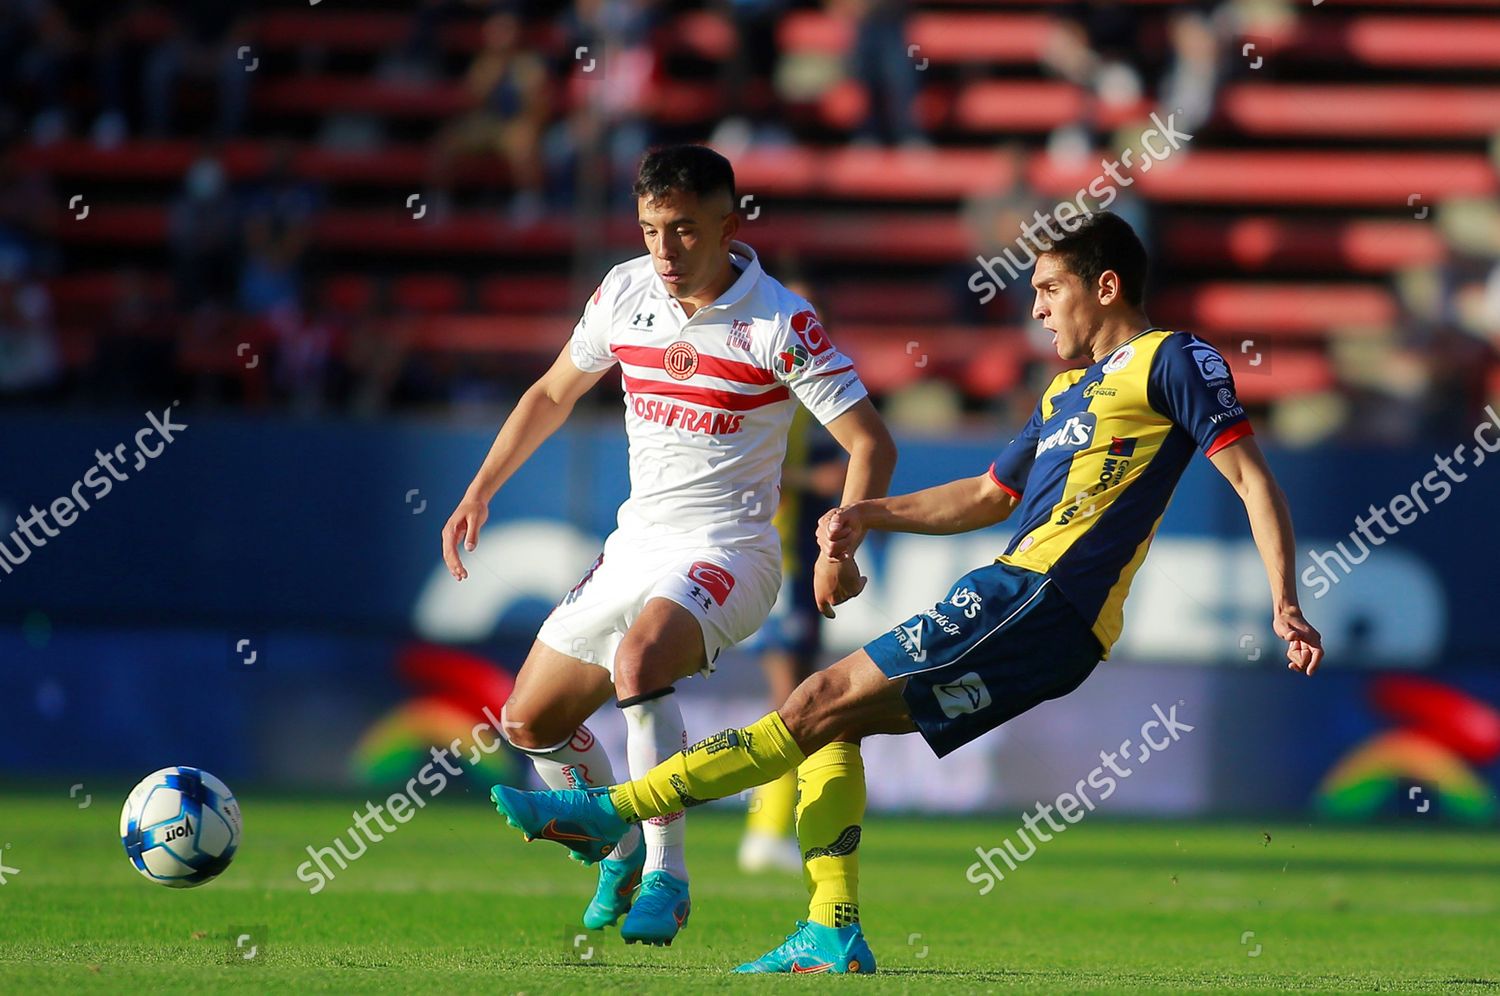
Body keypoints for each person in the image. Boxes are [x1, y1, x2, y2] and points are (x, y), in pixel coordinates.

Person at [489, 211, 1325, 972]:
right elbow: (988, 497)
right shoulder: (1064, 393)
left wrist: (1284, 600)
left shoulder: (1173, 358)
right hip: (1024, 599)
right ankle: (830, 926)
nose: (1035, 309)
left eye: (1048, 290)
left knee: (817, 697)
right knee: (831, 719)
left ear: (1105, 286)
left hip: (1042, 596)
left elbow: (1251, 480)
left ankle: (614, 810)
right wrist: (865, 515)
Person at [443, 145, 896, 946]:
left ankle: (668, 873)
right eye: (652, 229)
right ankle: (615, 846)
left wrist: (841, 543)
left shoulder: (779, 320)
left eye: (684, 230)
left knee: (641, 660)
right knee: (526, 721)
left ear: (731, 221)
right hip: (636, 544)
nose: (665, 250)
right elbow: (552, 391)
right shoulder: (623, 291)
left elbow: (869, 441)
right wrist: (481, 488)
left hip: (732, 549)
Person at [738, 403, 848, 874]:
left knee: (802, 699)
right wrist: (808, 478)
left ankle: (774, 829)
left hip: (804, 569)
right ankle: (763, 832)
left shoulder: (814, 405)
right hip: (778, 566)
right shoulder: (777, 407)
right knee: (787, 702)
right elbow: (754, 469)